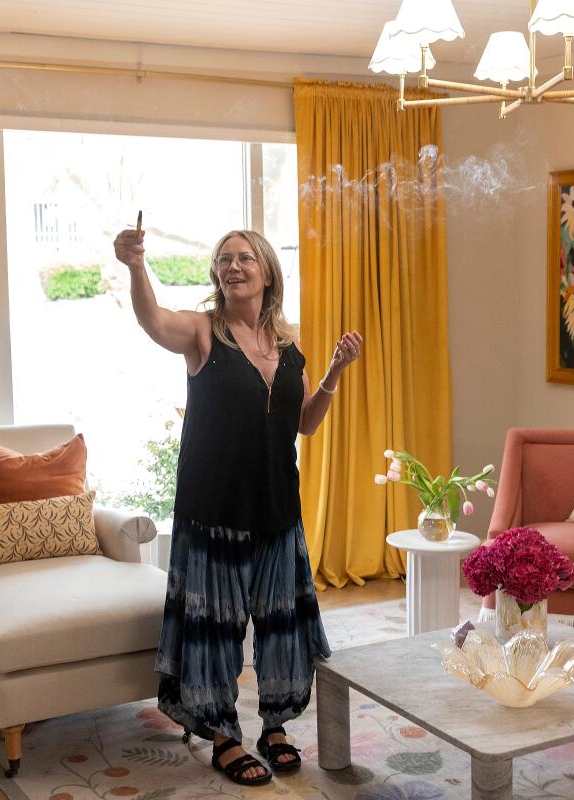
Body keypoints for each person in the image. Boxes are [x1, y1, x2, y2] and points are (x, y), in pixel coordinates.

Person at [113, 226, 362, 785]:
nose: (232, 266)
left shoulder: (289, 346)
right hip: (214, 512)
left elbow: (305, 424)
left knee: (281, 626)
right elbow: (154, 320)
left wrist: (333, 375)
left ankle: (275, 726)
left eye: (244, 258)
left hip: (276, 511)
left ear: (267, 271)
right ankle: (224, 735)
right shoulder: (203, 333)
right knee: (216, 629)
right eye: (223, 259)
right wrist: (135, 266)